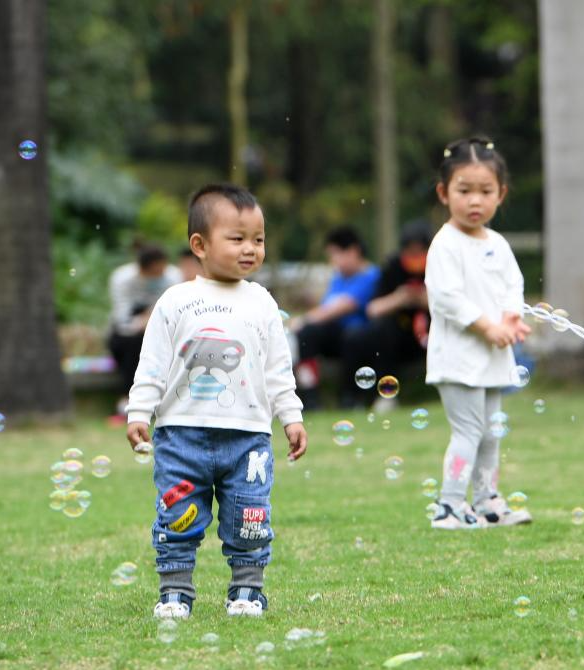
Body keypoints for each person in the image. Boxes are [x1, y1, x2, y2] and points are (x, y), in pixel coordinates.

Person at [125, 183, 307, 620]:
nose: (250, 248)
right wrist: (139, 410)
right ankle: (175, 592)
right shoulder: (176, 301)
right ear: (200, 245)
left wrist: (291, 415)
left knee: (250, 517)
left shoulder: (262, 302)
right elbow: (152, 364)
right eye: (237, 238)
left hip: (248, 438)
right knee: (178, 515)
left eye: (258, 239)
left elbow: (277, 368)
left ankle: (247, 589)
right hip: (180, 435)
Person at [424, 137, 533, 530]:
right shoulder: (445, 244)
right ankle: (450, 504)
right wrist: (488, 326)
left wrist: (512, 318)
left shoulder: (498, 244)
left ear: (501, 194)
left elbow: (513, 286)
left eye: (485, 191)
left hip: (491, 358)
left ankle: (487, 501)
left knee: (490, 433)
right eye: (464, 190)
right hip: (458, 358)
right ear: (444, 193)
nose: (475, 201)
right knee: (468, 431)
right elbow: (447, 298)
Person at [342, 220, 432, 410]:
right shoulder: (394, 267)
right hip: (397, 337)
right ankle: (373, 396)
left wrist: (426, 300)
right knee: (368, 333)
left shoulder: (438, 265)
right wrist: (400, 298)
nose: (415, 256)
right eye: (411, 251)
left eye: (420, 250)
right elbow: (373, 309)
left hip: (431, 336)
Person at [291, 226, 380, 409]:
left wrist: (304, 319)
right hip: (336, 336)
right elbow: (326, 306)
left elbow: (343, 306)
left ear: (353, 251)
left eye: (335, 254)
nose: (333, 261)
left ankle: (350, 397)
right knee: (307, 334)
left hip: (359, 340)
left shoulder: (371, 275)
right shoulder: (339, 278)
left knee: (352, 337)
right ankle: (310, 397)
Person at [107, 243, 181, 414]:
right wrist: (143, 321)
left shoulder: (173, 276)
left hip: (163, 330)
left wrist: (151, 320)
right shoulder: (122, 279)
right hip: (127, 335)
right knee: (133, 344)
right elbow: (122, 318)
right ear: (142, 269)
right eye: (155, 272)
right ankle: (129, 397)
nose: (160, 274)